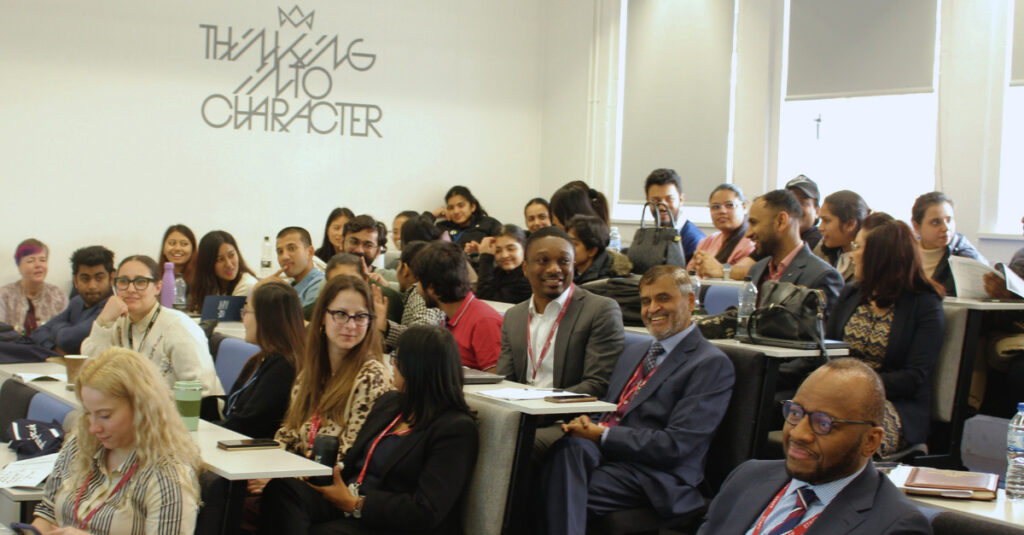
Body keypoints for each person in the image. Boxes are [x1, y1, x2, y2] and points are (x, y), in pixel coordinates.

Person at [542, 266, 734, 535]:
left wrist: (602, 435)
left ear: (690, 301)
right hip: (606, 457)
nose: (652, 309)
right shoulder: (635, 352)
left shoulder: (709, 364)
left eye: (663, 298)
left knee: (552, 490)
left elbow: (677, 446)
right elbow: (610, 410)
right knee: (566, 450)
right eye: (646, 301)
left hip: (655, 474)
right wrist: (588, 424)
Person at [260, 325, 478, 535]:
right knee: (283, 490)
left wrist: (357, 504)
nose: (392, 364)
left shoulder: (455, 430)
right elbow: (356, 459)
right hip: (350, 497)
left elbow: (426, 510)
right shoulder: (391, 403)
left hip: (388, 521)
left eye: (397, 358)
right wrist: (324, 471)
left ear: (416, 369)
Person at [698, 359, 932, 535]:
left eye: (824, 424)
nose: (798, 433)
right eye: (795, 413)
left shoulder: (894, 526)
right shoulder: (747, 477)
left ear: (870, 441)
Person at [32, 348, 203, 535]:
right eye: (88, 414)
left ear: (140, 410)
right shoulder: (81, 444)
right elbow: (48, 511)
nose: (93, 428)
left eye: (105, 416)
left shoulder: (168, 478)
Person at [496, 226, 624, 452]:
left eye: (564, 261)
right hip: (522, 415)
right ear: (525, 268)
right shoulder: (514, 316)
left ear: (573, 265)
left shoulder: (600, 310)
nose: (555, 269)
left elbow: (596, 384)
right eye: (543, 261)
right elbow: (506, 380)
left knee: (516, 446)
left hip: (567, 419)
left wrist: (538, 408)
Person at [829, 217, 945, 454]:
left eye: (858, 247)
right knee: (799, 420)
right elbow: (828, 346)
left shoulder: (925, 304)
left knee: (844, 438)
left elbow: (914, 377)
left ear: (879, 257)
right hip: (839, 394)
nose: (852, 254)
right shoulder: (852, 293)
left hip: (895, 404)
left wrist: (858, 386)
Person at [273, 274, 392, 458]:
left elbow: (348, 456)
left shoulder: (371, 377)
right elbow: (288, 434)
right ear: (322, 316)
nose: (351, 325)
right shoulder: (310, 373)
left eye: (360, 316)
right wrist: (272, 463)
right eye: (341, 314)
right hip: (297, 469)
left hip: (327, 474)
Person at [81, 255, 223, 397]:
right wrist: (103, 321)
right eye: (123, 281)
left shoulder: (179, 327)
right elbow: (91, 373)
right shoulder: (118, 322)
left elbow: (202, 391)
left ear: (158, 287)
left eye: (141, 282)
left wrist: (150, 403)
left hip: (185, 409)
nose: (130, 289)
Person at [219, 280, 303, 438]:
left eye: (246, 312)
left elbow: (249, 425)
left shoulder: (284, 367)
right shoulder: (262, 359)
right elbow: (234, 404)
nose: (243, 319)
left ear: (267, 318)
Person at [745, 189, 844, 313]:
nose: (748, 233)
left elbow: (824, 326)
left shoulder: (822, 277)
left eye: (754, 223)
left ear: (781, 221)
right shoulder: (757, 270)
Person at [411, 241, 502, 371]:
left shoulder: (484, 322)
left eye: (419, 282)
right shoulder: (447, 317)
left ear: (432, 289)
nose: (417, 288)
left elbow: (496, 378)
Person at [31, 246, 114, 355]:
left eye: (99, 278)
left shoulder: (112, 308)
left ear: (111, 278)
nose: (92, 286)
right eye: (85, 279)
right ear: (75, 280)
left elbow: (68, 340)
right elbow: (38, 333)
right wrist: (54, 348)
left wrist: (58, 327)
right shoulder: (77, 302)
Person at [912, 191, 987, 296]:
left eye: (949, 220)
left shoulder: (967, 258)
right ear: (917, 226)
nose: (946, 228)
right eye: (935, 222)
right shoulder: (905, 254)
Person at [377, 241, 446, 352]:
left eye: (398, 265)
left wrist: (386, 326)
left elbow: (422, 336)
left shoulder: (421, 295)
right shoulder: (426, 292)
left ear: (405, 269)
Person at [687, 184, 757, 280]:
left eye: (729, 205)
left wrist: (719, 270)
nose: (722, 211)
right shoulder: (707, 242)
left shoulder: (751, 243)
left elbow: (747, 276)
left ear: (744, 207)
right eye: (716, 207)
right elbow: (689, 275)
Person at [0, 238, 67, 335]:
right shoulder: (4, 295)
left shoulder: (58, 295)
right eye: (31, 261)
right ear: (19, 266)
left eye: (42, 260)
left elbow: (64, 332)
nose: (38, 265)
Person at [186, 230, 258, 313]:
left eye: (231, 255)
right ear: (207, 264)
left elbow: (225, 318)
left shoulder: (247, 285)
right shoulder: (210, 286)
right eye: (220, 259)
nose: (229, 264)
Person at [644, 168, 705, 263]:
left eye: (669, 199)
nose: (662, 207)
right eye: (656, 200)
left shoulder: (694, 241)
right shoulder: (649, 236)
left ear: (681, 199)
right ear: (647, 201)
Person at [325, 253, 403, 324]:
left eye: (352, 282)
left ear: (365, 280)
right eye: (337, 284)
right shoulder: (322, 308)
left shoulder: (384, 303)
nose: (345, 290)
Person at [814, 190, 869, 282]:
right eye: (821, 221)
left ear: (850, 224)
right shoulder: (822, 249)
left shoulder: (864, 262)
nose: (820, 228)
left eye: (827, 221)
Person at [475, 224, 533, 304]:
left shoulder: (528, 278)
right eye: (498, 251)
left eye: (511, 249)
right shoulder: (499, 271)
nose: (504, 255)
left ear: (524, 249)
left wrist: (486, 258)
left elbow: (487, 301)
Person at [566, 214, 632, 284]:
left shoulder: (604, 282)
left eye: (574, 244)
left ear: (592, 251)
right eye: (567, 242)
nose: (567, 248)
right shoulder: (571, 270)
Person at [275, 226, 325, 312]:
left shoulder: (319, 284)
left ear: (310, 252)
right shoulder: (288, 287)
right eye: (280, 252)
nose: (284, 257)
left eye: (292, 248)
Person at [437, 185, 502, 250]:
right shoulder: (442, 227)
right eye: (451, 207)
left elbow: (503, 246)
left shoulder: (489, 224)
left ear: (472, 207)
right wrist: (432, 215)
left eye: (461, 205)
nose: (456, 211)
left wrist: (480, 250)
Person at [341, 214, 398, 285]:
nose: (359, 250)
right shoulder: (331, 276)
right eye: (354, 242)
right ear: (342, 243)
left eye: (368, 245)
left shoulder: (394, 279)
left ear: (378, 251)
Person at [785, 175, 823, 251]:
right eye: (791, 202)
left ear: (817, 212)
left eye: (803, 203)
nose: (795, 208)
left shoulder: (819, 243)